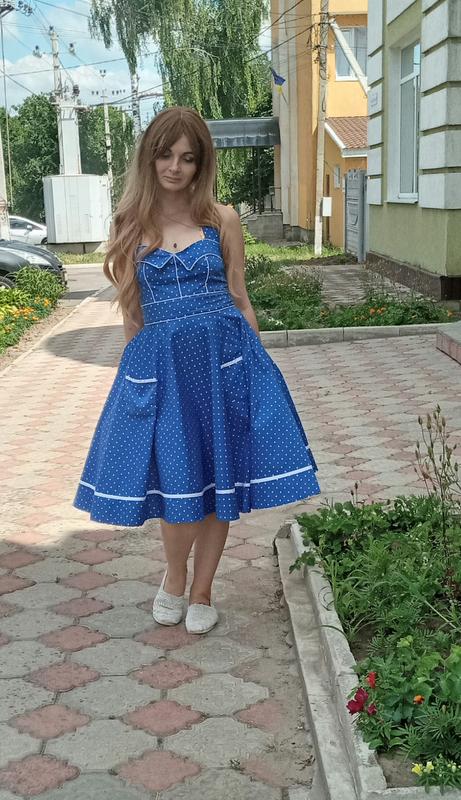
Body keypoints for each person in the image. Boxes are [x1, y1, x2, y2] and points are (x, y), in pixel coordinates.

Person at [73, 106, 320, 635]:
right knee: (179, 485)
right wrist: (136, 383)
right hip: (164, 375)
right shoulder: (130, 225)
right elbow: (133, 315)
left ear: (201, 163)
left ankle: (204, 590)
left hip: (223, 366)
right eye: (165, 155)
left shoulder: (221, 219)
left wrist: (257, 369)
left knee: (218, 481)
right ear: (149, 158)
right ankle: (175, 575)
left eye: (187, 158)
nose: (175, 167)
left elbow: (240, 297)